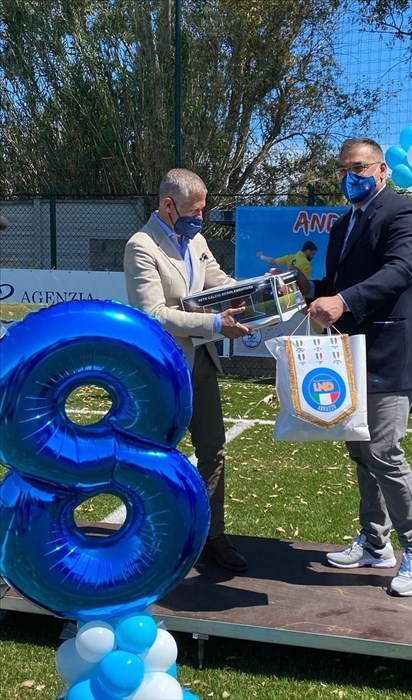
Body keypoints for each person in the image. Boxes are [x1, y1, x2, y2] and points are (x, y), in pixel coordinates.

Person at [297, 137, 412, 597]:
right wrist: (305, 286)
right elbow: (337, 283)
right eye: (341, 169)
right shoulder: (343, 225)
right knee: (359, 450)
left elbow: (401, 270)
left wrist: (341, 300)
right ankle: (375, 542)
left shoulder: (405, 214)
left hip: (390, 353)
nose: (348, 177)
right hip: (349, 353)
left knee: (384, 452)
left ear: (381, 170)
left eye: (356, 168)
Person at [124, 168, 251, 572]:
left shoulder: (196, 240)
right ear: (168, 205)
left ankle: (213, 535)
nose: (201, 218)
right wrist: (216, 323)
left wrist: (259, 288)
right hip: (165, 370)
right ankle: (160, 535)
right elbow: (155, 314)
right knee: (161, 454)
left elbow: (221, 283)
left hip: (202, 364)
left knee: (213, 450)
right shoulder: (141, 246)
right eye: (196, 210)